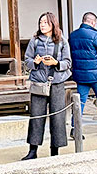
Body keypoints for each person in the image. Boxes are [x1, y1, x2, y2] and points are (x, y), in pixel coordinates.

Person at [21, 12, 72, 161]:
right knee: (36, 116)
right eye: (40, 22)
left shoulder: (62, 41)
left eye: (45, 22)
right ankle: (33, 150)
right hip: (38, 83)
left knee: (57, 117)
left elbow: (68, 63)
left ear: (53, 24)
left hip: (56, 83)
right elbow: (27, 61)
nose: (42, 25)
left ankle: (55, 151)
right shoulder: (35, 41)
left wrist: (56, 63)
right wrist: (35, 62)